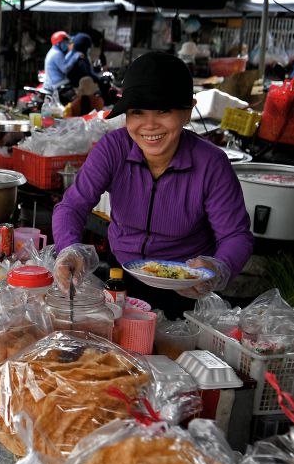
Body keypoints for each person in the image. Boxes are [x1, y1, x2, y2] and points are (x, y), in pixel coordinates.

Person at [51, 51, 253, 319]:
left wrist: (218, 268)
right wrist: (69, 248)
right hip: (120, 278)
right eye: (137, 112)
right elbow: (72, 206)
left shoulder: (211, 164)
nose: (149, 125)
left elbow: (235, 235)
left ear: (188, 112)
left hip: (186, 290)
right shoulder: (113, 149)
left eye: (163, 110)